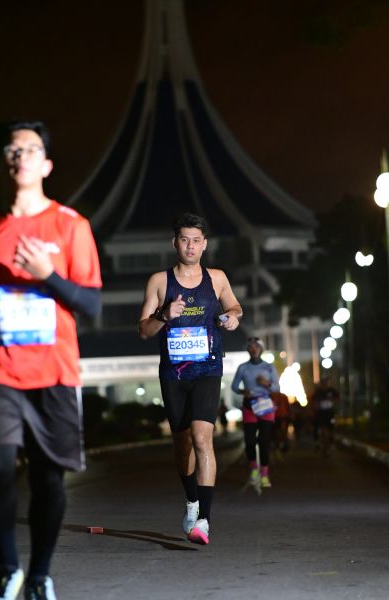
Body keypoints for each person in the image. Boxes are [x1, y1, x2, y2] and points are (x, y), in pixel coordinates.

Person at [0, 120, 102, 600]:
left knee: (47, 480)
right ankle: (6, 568)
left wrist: (47, 275)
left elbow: (91, 304)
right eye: (12, 150)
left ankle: (39, 575)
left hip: (54, 371)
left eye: (31, 149)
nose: (21, 156)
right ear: (3, 163)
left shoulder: (70, 226)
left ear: (47, 164)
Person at [138, 213, 242, 545]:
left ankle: (205, 521)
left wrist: (231, 318)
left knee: (202, 438)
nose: (190, 246)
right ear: (175, 243)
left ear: (205, 244)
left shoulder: (217, 278)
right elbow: (144, 330)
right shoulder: (159, 281)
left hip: (208, 369)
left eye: (196, 240)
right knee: (183, 445)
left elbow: (235, 309)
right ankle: (192, 501)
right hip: (173, 373)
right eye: (184, 240)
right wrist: (164, 314)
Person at [231, 337, 279, 488]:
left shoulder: (269, 367)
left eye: (256, 347)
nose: (253, 349)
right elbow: (234, 386)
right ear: (248, 349)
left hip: (265, 406)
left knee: (264, 442)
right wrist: (242, 391)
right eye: (251, 347)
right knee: (250, 442)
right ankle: (254, 469)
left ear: (261, 349)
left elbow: (277, 388)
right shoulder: (243, 367)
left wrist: (267, 383)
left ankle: (264, 475)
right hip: (249, 406)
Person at [311, 376, 340, 456]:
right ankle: (325, 447)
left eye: (326, 382)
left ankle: (331, 442)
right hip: (321, 414)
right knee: (323, 430)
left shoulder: (332, 391)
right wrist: (315, 407)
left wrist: (334, 403)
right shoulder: (318, 392)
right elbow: (313, 401)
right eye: (323, 382)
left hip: (330, 414)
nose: (325, 384)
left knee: (331, 429)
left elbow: (338, 399)